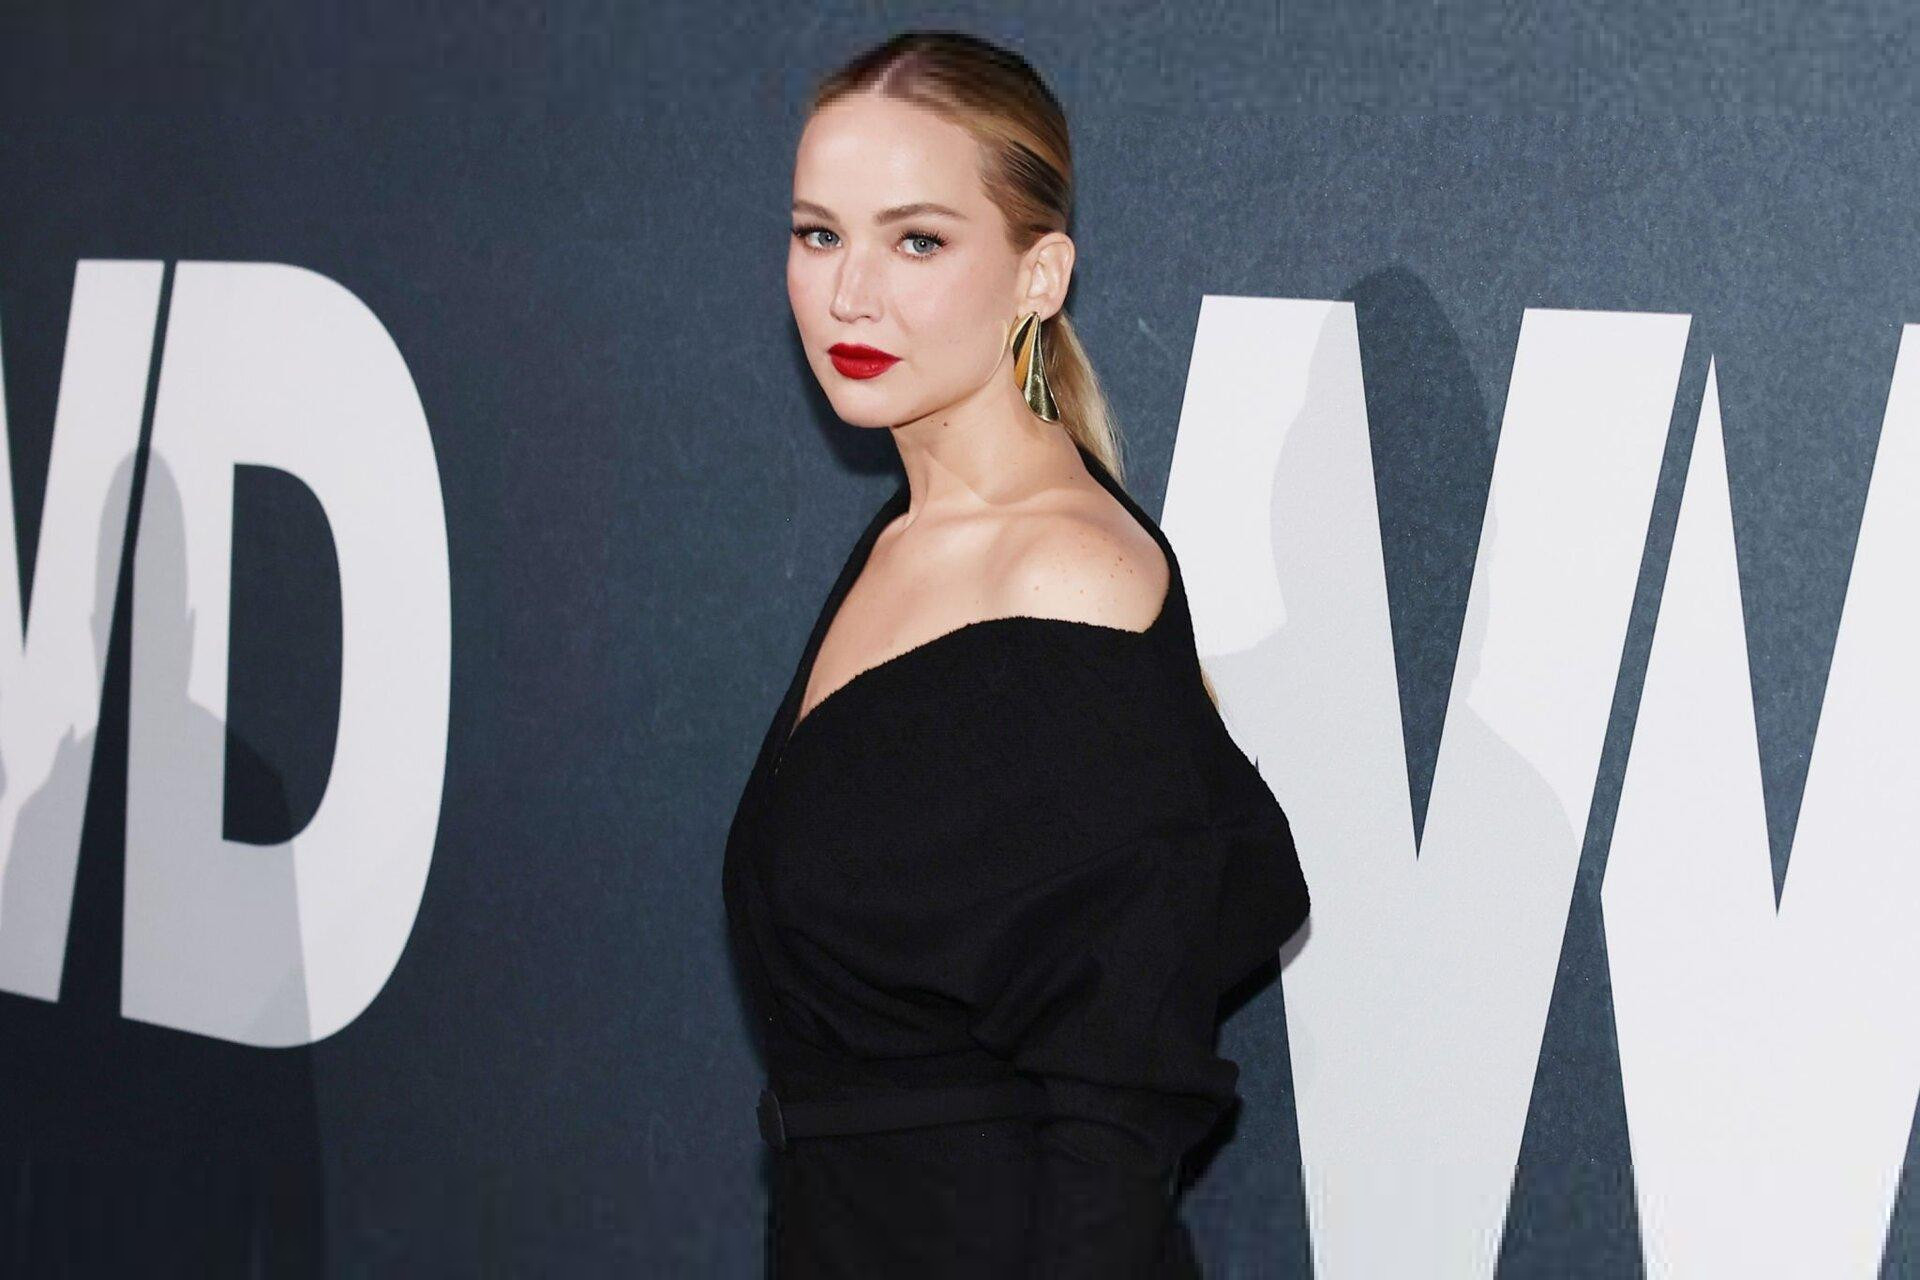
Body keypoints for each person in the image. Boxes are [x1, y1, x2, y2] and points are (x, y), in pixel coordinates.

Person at [721, 30, 1311, 1278]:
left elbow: (1112, 1112)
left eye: (917, 241)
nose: (849, 294)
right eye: (819, 233)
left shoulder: (1067, 578)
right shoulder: (905, 540)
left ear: (1039, 274)